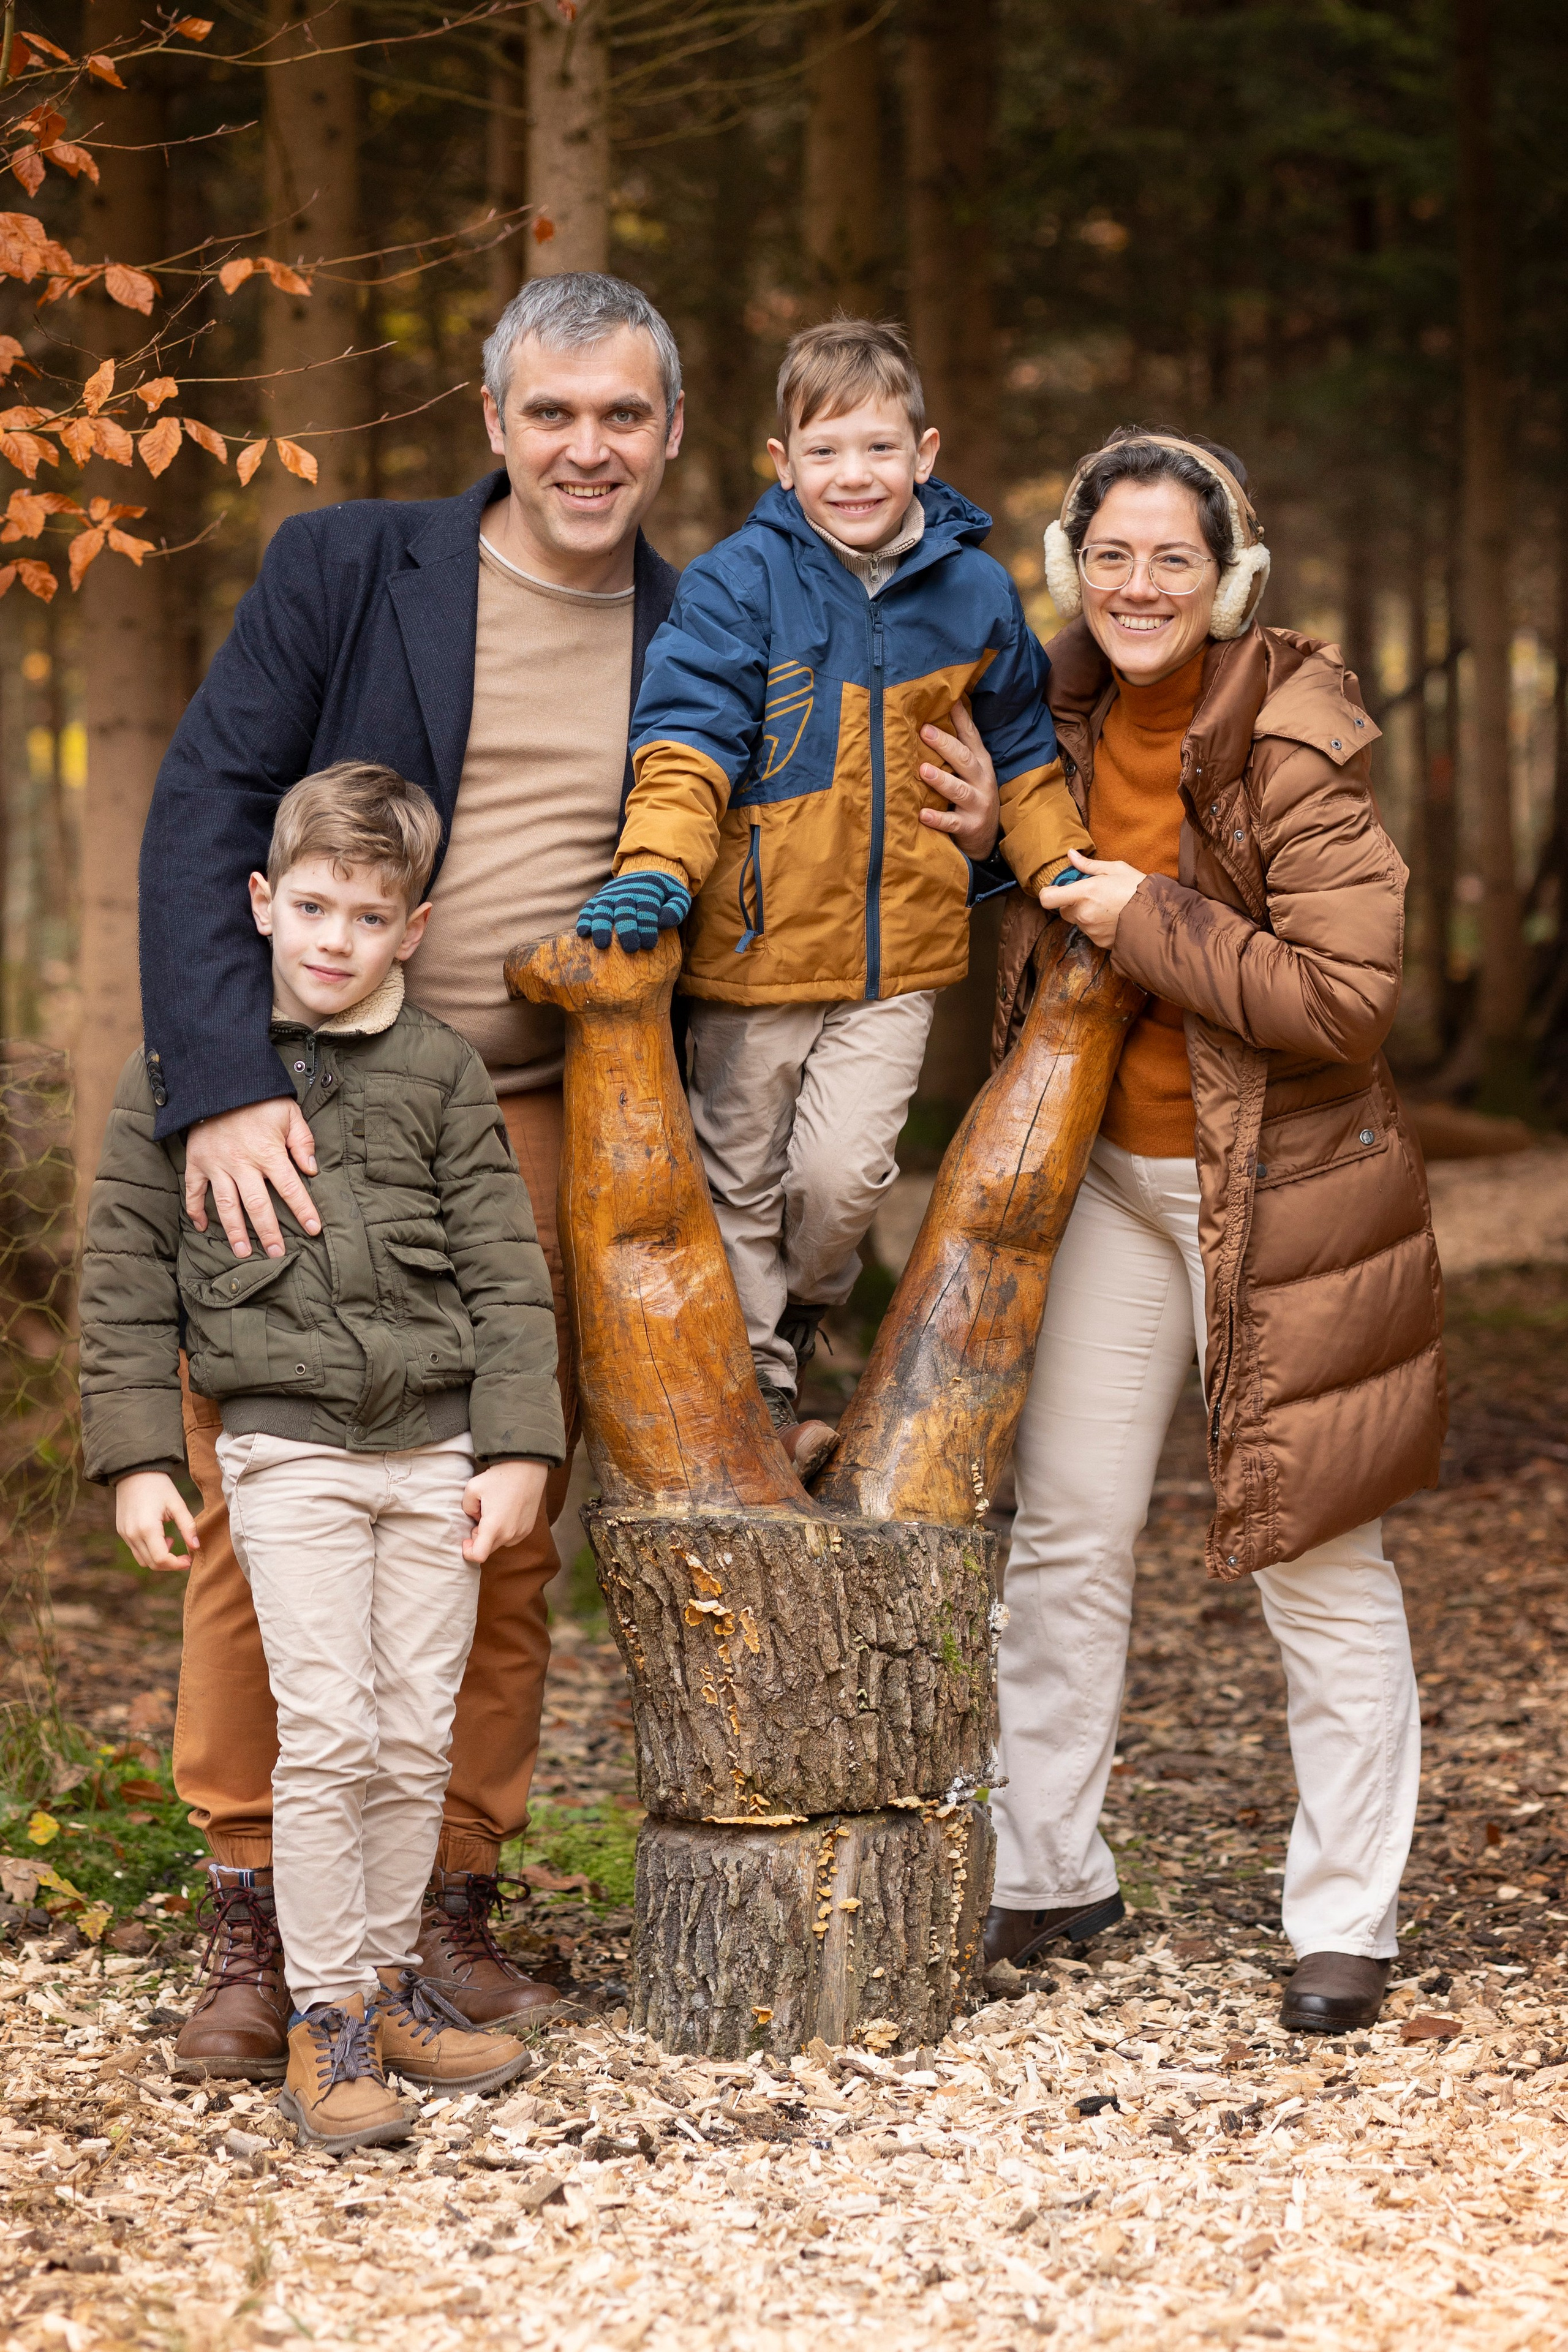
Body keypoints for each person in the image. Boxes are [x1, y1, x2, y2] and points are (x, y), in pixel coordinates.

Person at [134, 272, 682, 2078]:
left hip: (542, 1122)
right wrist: (218, 1085)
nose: (586, 447)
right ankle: (254, 1907)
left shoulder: (711, 617)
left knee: (494, 1522)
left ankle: (441, 1899)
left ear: (670, 434)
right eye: (555, 413)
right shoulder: (350, 566)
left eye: (623, 415)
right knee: (264, 1498)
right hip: (303, 1107)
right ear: (496, 420)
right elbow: (211, 801)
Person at [983, 427, 1444, 2035]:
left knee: (1314, 1553)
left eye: (1175, 556)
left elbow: (1346, 999)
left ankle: (1345, 1921)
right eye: (1111, 553)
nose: (1139, 584)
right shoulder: (1038, 708)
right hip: (1112, 1177)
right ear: (1070, 566)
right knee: (1066, 1536)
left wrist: (1150, 914)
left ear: (1231, 578)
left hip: (1292, 1194)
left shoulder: (1297, 735)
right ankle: (1044, 1871)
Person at [83, 766, 564, 2148]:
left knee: (414, 1734)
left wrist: (519, 1446)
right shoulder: (183, 1070)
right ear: (259, 902)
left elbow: (504, 1273)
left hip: (435, 1454)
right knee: (333, 1730)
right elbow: (123, 1277)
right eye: (310, 907)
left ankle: (393, 1983)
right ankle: (328, 2022)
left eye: (368, 913)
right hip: (282, 1453)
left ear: (413, 928)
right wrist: (138, 1460)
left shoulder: (441, 1071)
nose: (335, 938)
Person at [578, 319, 1092, 1470]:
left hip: (896, 959)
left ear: (925, 450)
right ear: (781, 460)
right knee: (740, 1178)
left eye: (876, 449)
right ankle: (761, 1394)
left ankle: (802, 1315)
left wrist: (1059, 867)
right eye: (823, 453)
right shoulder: (735, 586)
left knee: (845, 1172)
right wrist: (654, 867)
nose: (850, 476)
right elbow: (684, 746)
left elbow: (1020, 755)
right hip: (752, 957)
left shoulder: (973, 594)